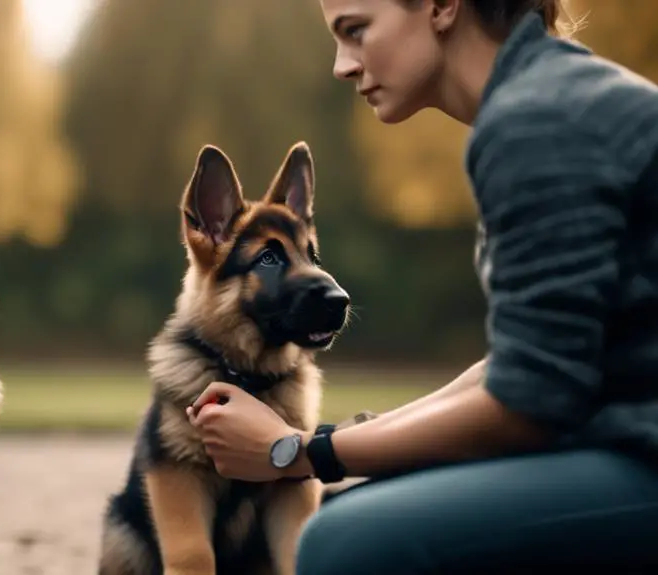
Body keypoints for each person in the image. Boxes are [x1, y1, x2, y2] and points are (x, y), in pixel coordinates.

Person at [185, 0, 658, 572]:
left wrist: (296, 452)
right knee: (363, 506)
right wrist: (342, 441)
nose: (342, 64)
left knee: (342, 540)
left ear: (441, 7)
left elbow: (528, 404)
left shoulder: (536, 120)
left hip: (640, 461)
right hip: (626, 448)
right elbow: (519, 366)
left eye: (356, 30)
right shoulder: (552, 93)